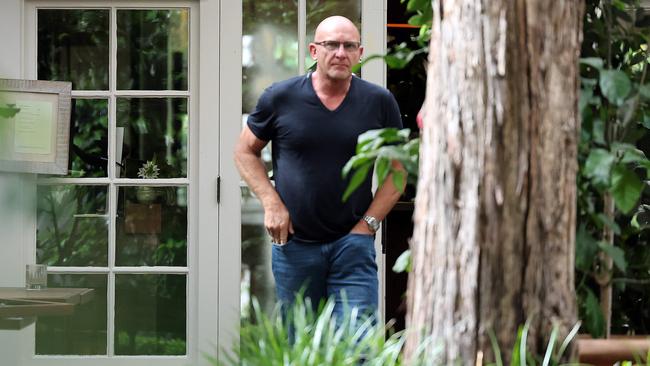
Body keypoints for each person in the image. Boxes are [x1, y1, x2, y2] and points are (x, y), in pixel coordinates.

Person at [234, 15, 404, 320]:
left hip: (353, 246)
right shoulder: (280, 97)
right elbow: (245, 151)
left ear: (360, 53)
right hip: (295, 246)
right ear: (314, 51)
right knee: (301, 342)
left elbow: (398, 171)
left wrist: (368, 226)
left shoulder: (379, 101)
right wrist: (272, 203)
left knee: (357, 344)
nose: (340, 52)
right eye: (331, 44)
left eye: (349, 45)